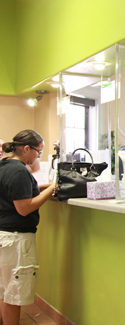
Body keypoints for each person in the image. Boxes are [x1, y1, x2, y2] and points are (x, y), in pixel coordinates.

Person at [0, 130, 55, 325]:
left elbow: (19, 192)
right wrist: (52, 190)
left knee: (6, 291)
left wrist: (45, 186)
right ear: (26, 149)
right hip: (17, 239)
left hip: (4, 235)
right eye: (38, 152)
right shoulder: (19, 171)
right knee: (14, 296)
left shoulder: (4, 166)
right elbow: (24, 208)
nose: (38, 156)